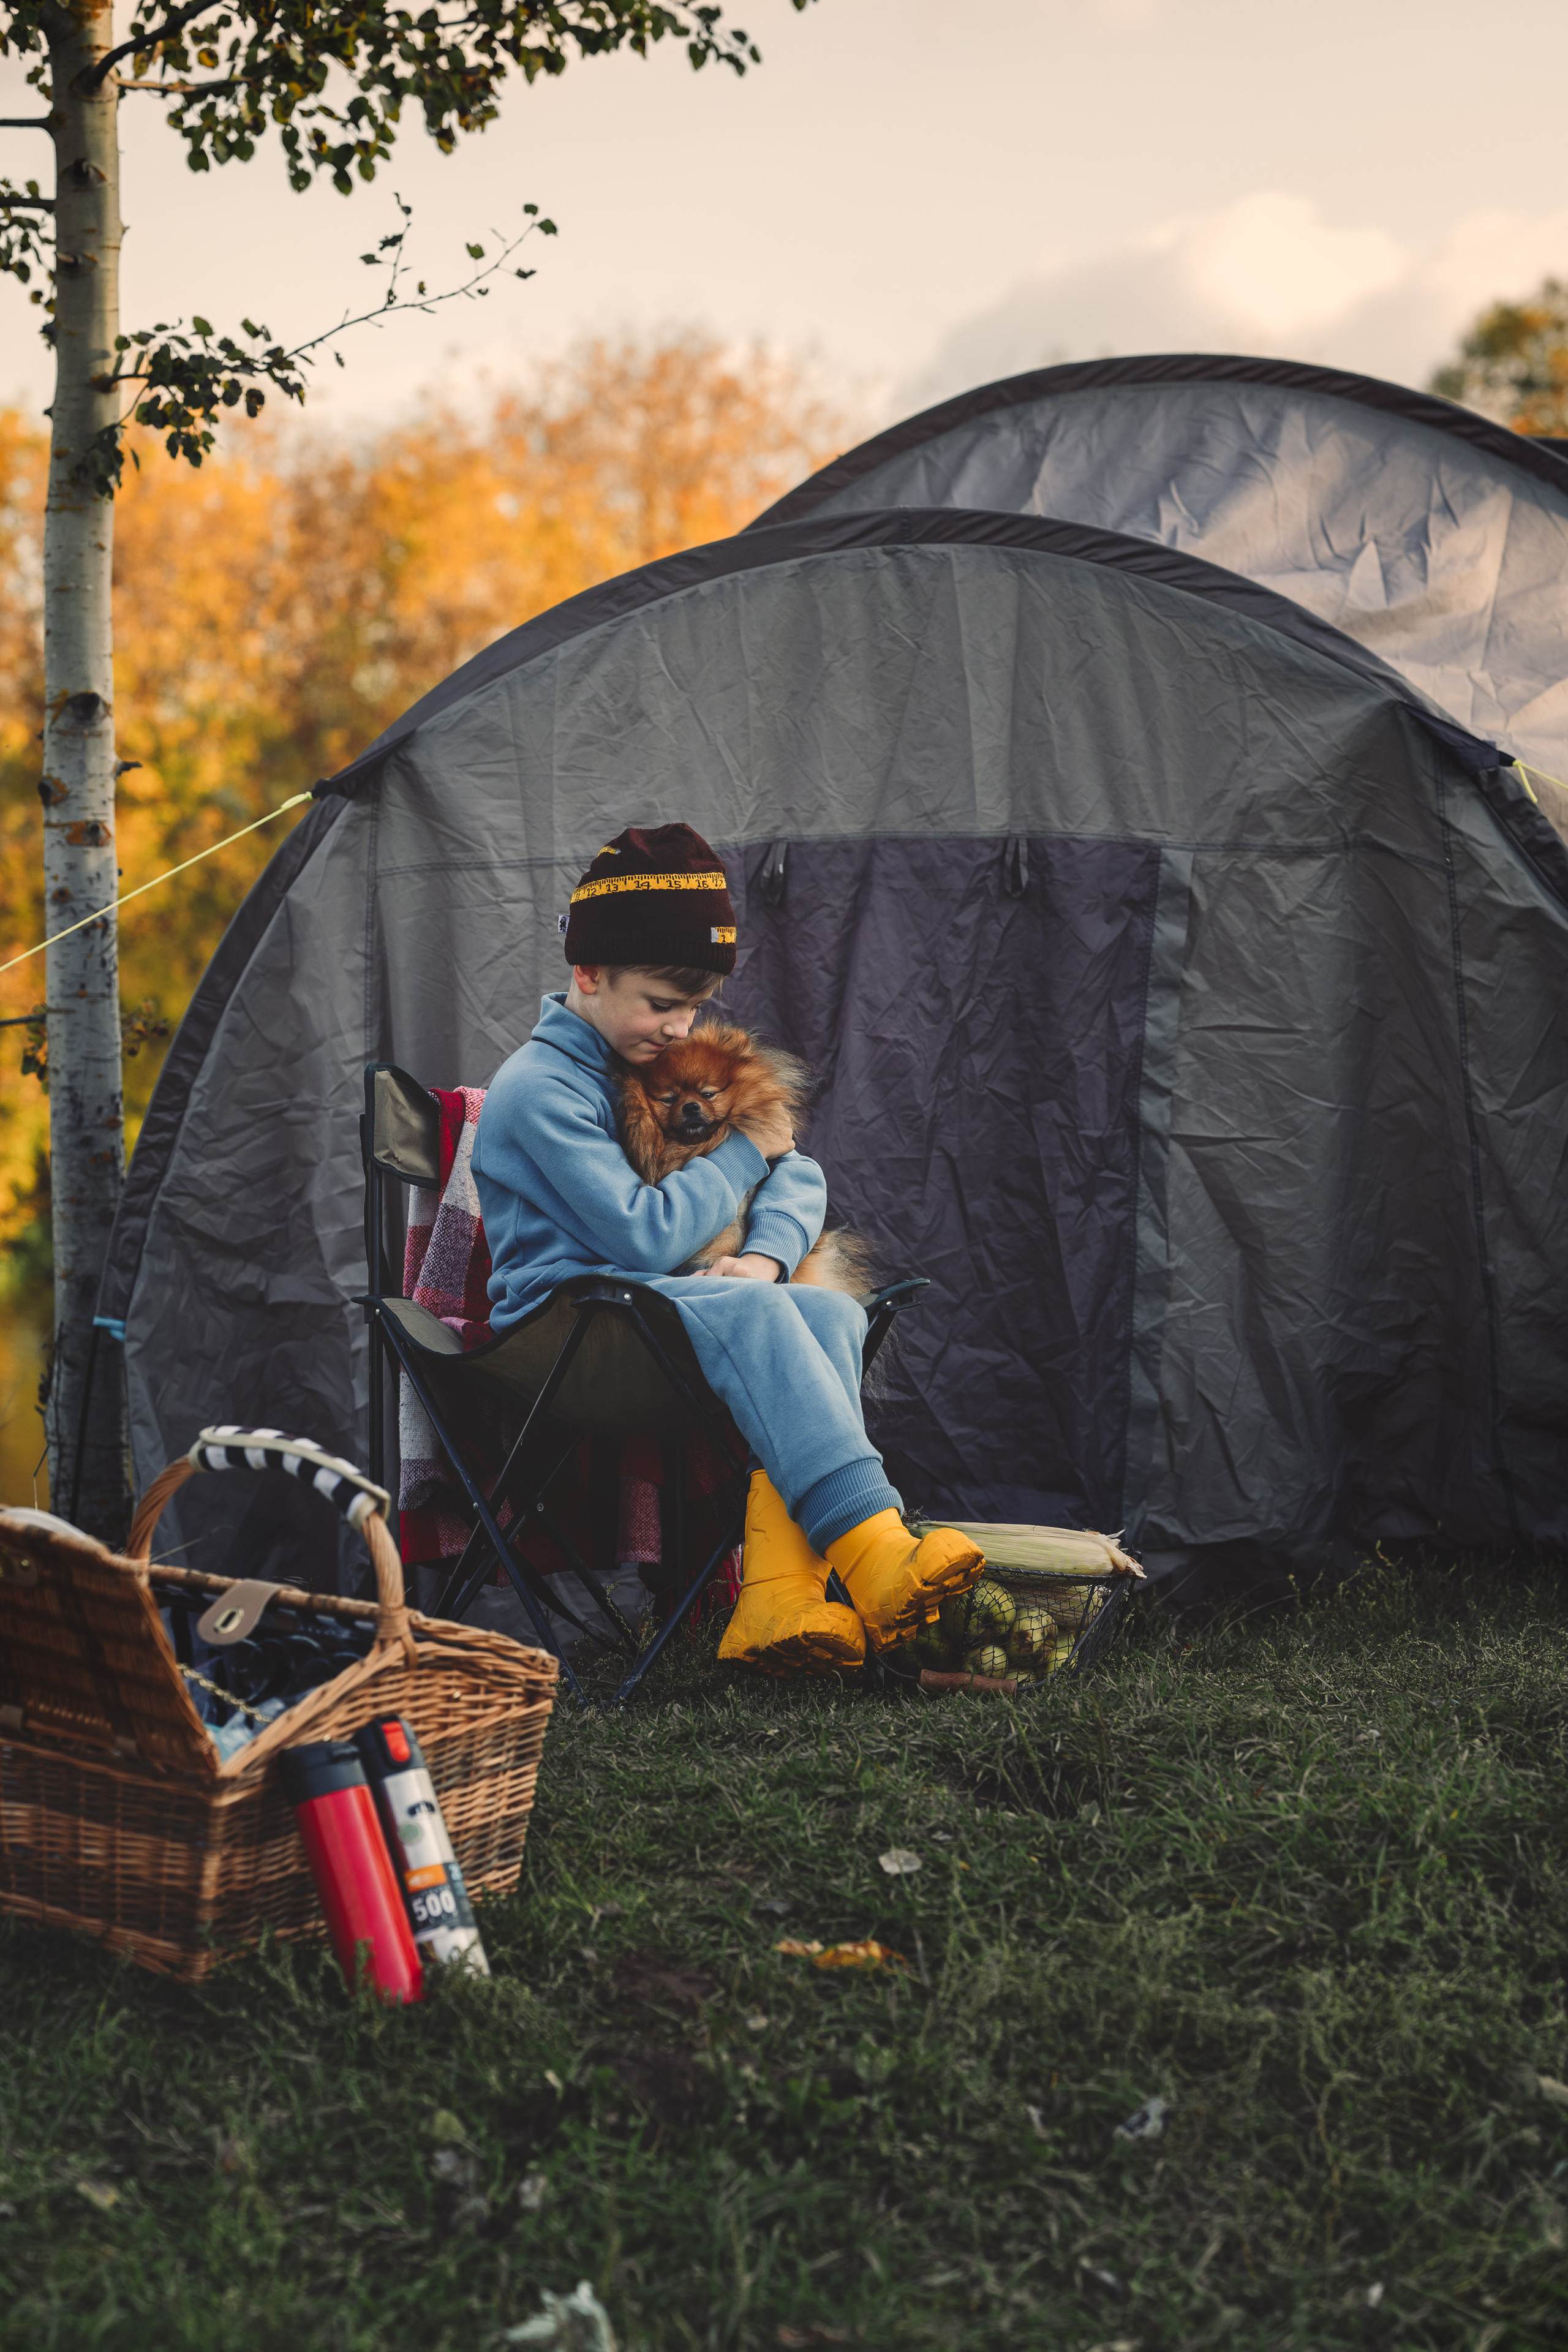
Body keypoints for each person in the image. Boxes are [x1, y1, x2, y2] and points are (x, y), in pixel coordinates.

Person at [473, 822, 981, 1675]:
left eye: (694, 1006)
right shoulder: (540, 1088)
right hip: (571, 1330)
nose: (680, 1028)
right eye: (661, 1003)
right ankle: (875, 1552)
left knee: (819, 1307)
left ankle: (780, 1596)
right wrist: (747, 1151)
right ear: (589, 974)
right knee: (758, 1314)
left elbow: (800, 1172)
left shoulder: (651, 1062)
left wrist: (768, 1258)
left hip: (668, 1307)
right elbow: (641, 1232)